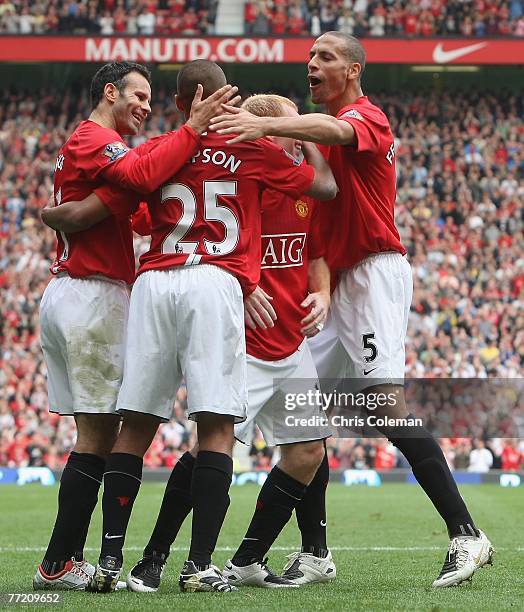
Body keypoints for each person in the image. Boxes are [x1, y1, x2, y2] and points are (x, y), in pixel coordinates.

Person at [210, 32, 494, 588]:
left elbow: (337, 132)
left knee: (385, 406)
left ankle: (466, 534)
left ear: (355, 69)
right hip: (336, 282)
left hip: (371, 273)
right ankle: (313, 553)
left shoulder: (366, 117)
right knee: (303, 417)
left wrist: (266, 124)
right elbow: (318, 172)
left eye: (326, 57)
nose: (312, 63)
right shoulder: (324, 130)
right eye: (310, 57)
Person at [53, 60, 336, 594]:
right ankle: (196, 565)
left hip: (156, 281)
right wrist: (286, 132)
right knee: (215, 430)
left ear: (178, 101)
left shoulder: (156, 151)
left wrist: (65, 215)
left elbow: (125, 200)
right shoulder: (253, 151)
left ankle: (112, 561)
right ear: (223, 99)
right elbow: (323, 184)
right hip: (215, 286)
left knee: (135, 423)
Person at [34, 60, 237, 591]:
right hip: (93, 291)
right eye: (138, 95)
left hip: (79, 290)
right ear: (110, 91)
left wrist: (75, 212)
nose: (145, 107)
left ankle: (66, 560)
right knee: (97, 435)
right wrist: (192, 131)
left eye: (151, 98)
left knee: (96, 434)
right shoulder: (95, 137)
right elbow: (141, 176)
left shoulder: (94, 145)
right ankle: (60, 563)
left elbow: (115, 207)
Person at [123, 94, 335, 593]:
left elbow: (316, 253)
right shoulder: (244, 177)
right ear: (257, 133)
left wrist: (322, 293)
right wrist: (247, 282)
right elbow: (182, 231)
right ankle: (153, 558)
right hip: (243, 344)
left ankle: (247, 560)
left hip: (292, 342)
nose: (299, 132)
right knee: (207, 454)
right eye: (290, 126)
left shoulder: (298, 184)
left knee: (307, 453)